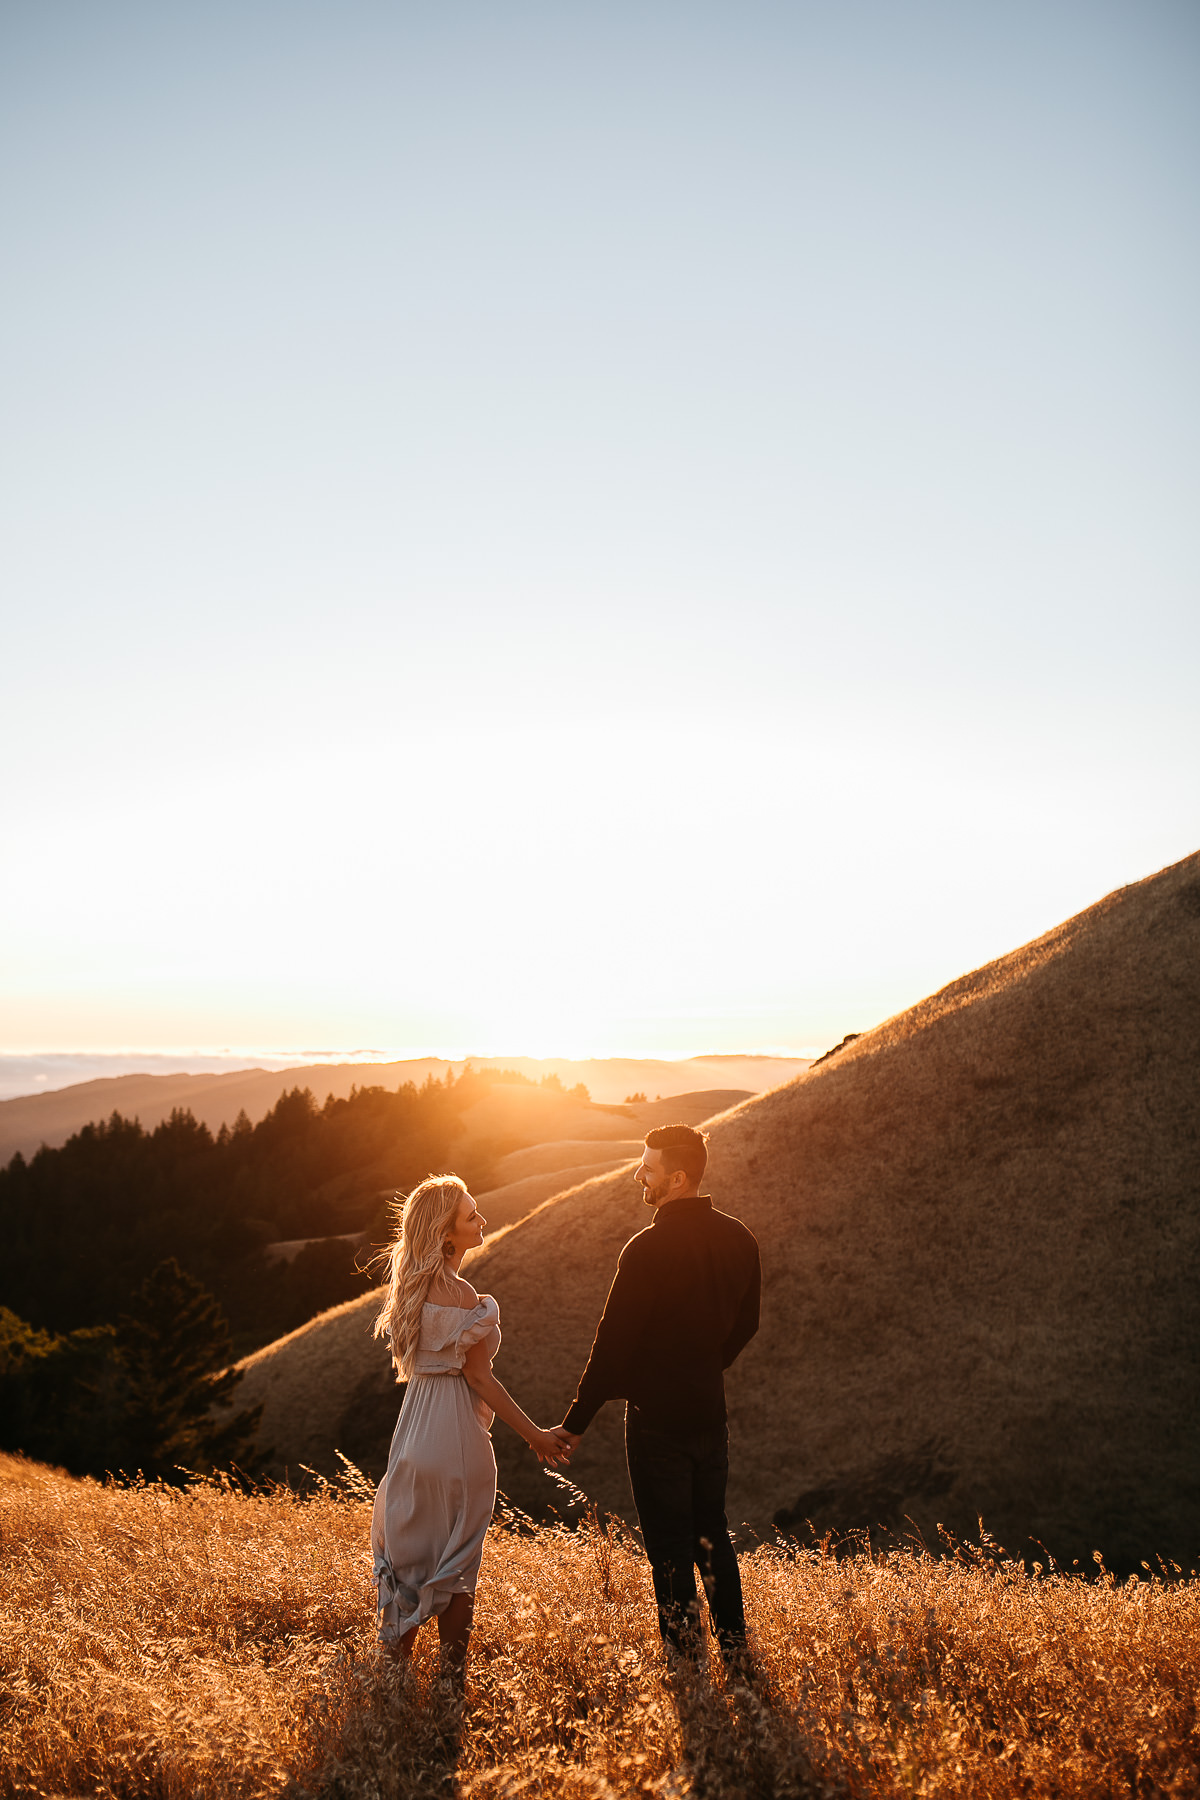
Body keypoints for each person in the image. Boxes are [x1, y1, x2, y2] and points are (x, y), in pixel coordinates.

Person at [559, 1124, 761, 1664]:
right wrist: (703, 1366)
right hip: (709, 1412)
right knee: (711, 1533)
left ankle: (686, 1663)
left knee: (669, 1547)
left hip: (656, 1421)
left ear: (676, 1177)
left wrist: (574, 1423)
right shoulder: (740, 1237)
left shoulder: (647, 1248)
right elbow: (748, 1325)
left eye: (646, 1169)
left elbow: (612, 1345)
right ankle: (736, 1652)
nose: (637, 1176)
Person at [371, 1174, 572, 1682]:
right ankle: (450, 1686)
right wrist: (535, 1436)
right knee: (458, 1567)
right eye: (470, 1216)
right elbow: (480, 1378)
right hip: (457, 1437)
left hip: (411, 1436)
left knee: (410, 1561)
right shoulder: (463, 1297)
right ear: (446, 1234)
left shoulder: (409, 1292)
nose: (481, 1220)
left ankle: (393, 1678)